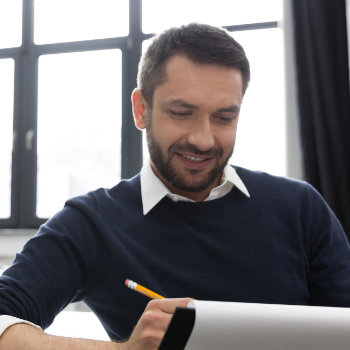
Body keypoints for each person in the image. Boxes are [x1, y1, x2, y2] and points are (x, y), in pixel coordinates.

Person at [1, 22, 350, 350]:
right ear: (141, 110)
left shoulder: (301, 208)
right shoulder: (91, 223)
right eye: (182, 113)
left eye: (224, 117)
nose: (203, 139)